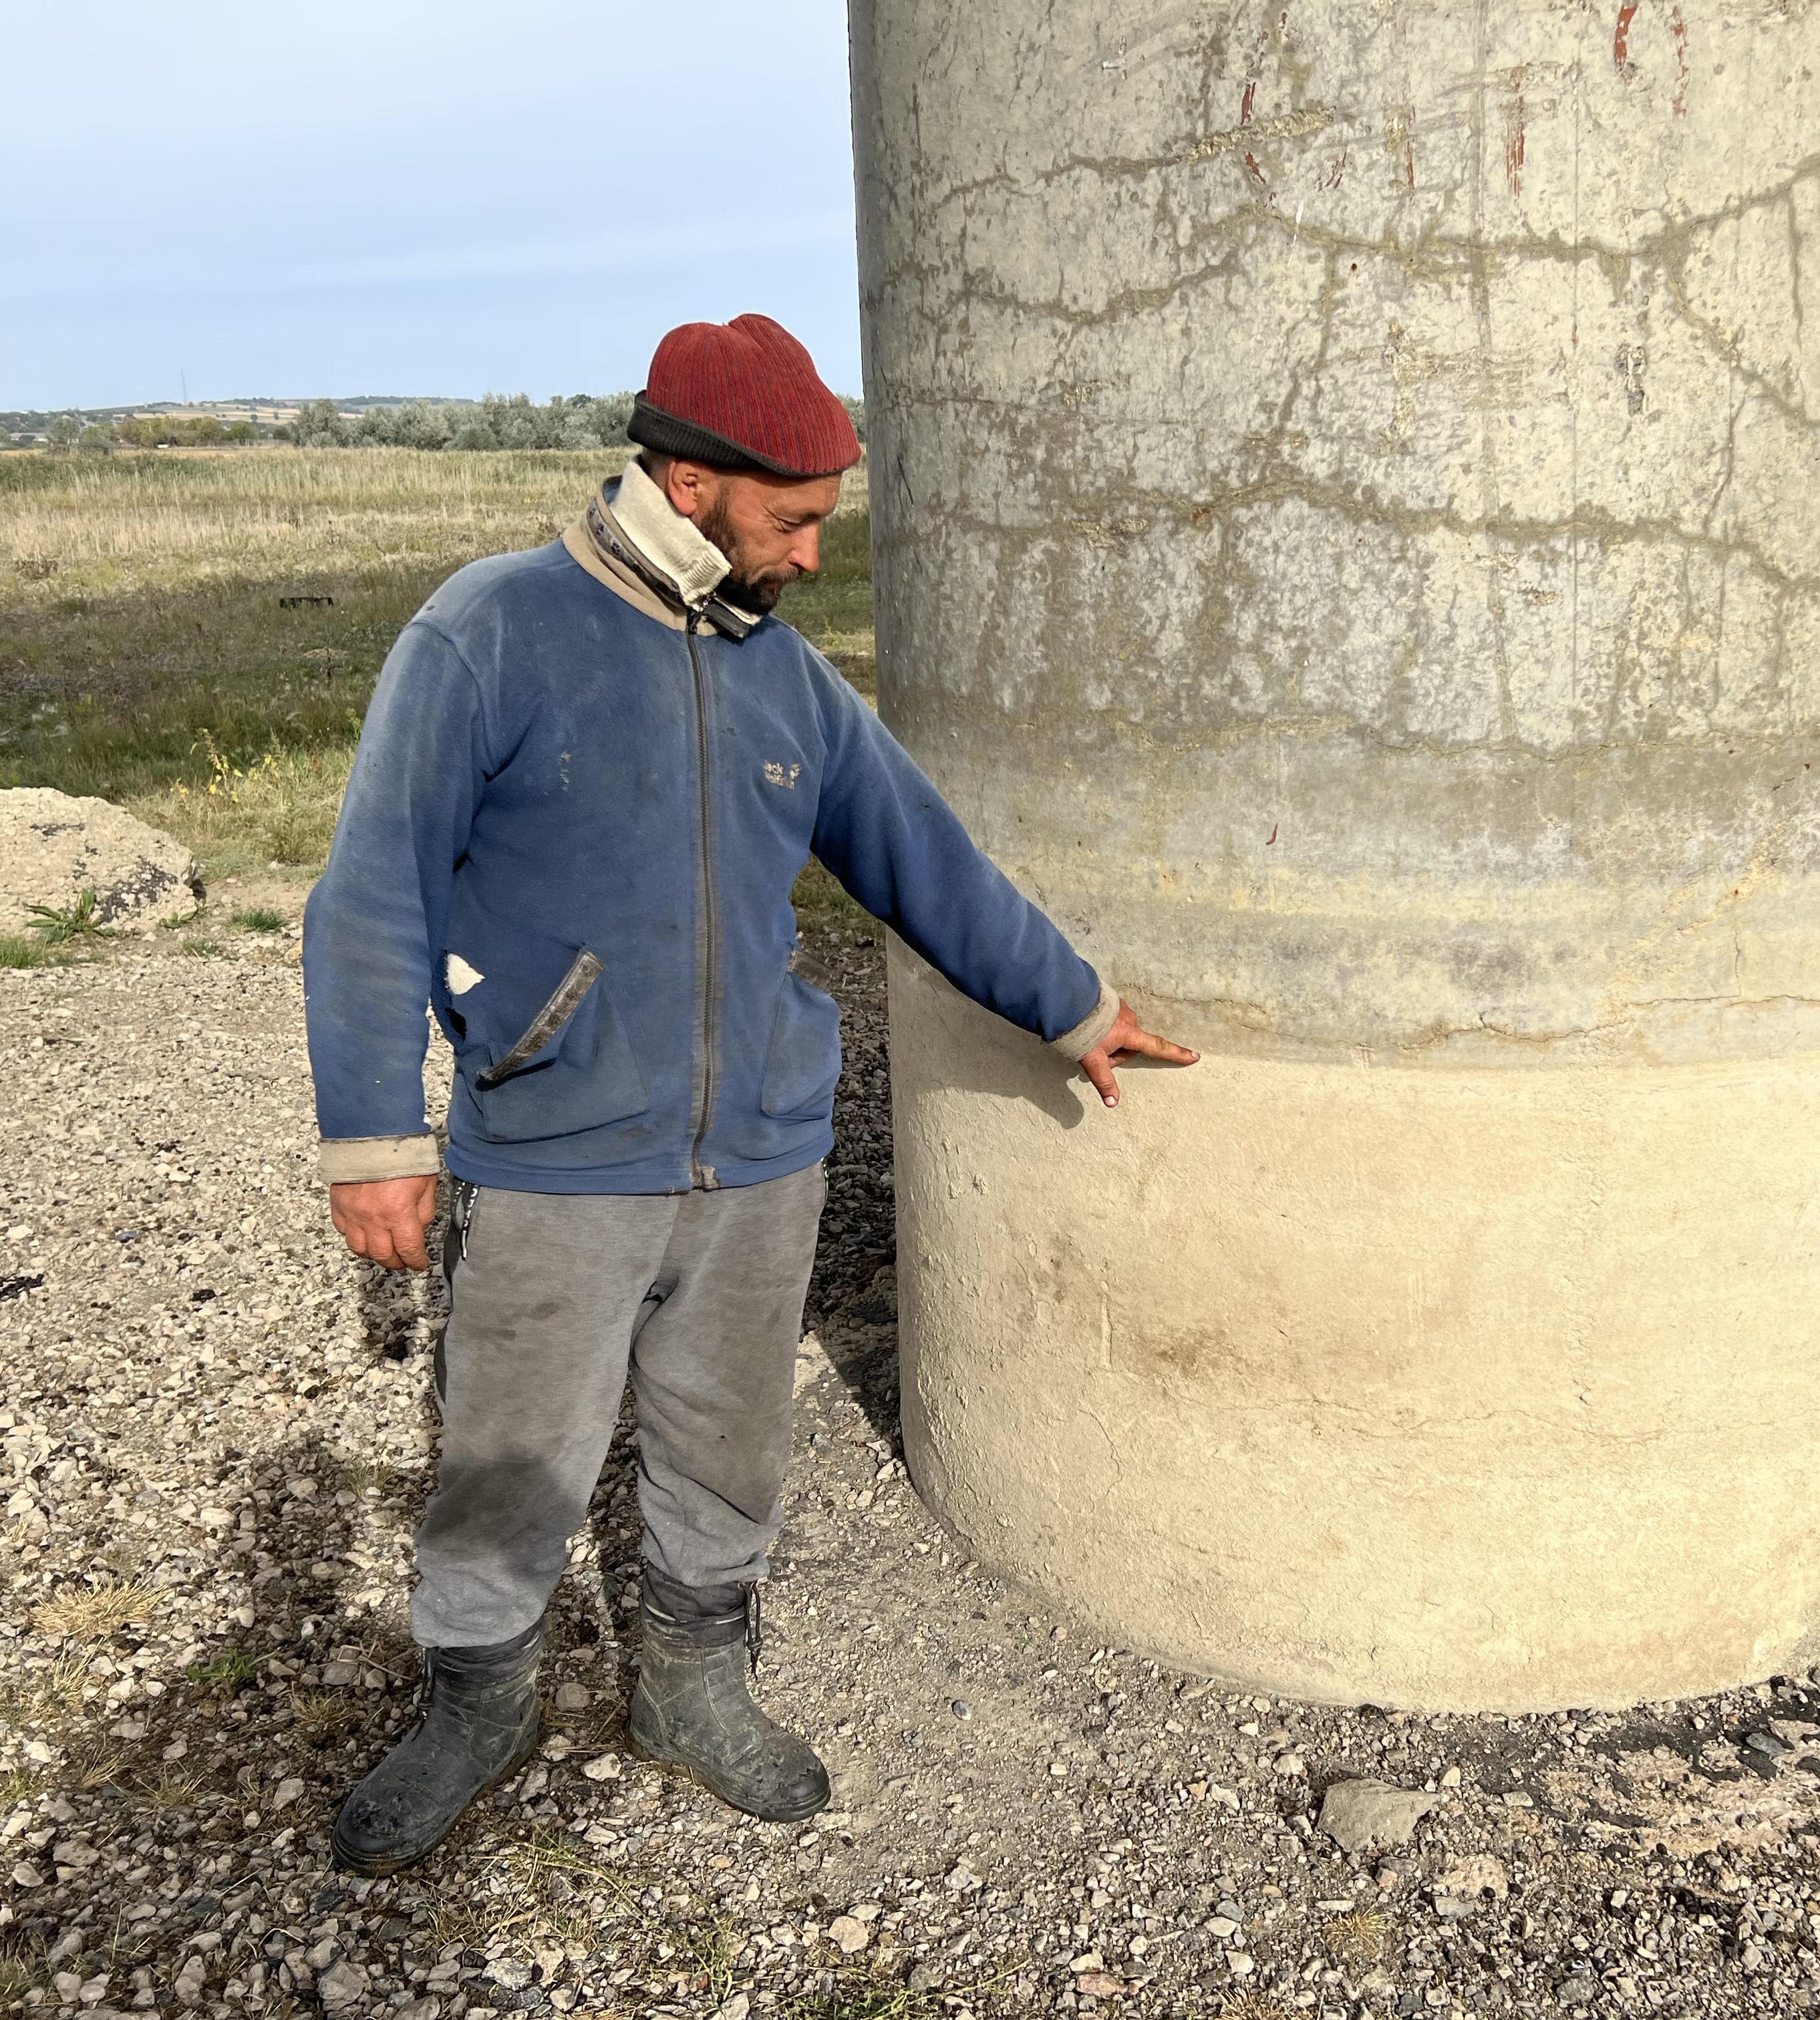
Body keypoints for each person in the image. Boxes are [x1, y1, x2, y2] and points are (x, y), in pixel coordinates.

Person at [301, 313, 1195, 1875]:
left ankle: (693, 1689)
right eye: (796, 521)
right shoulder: (491, 631)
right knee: (514, 1452)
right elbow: (371, 892)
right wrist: (374, 1138)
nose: (814, 556)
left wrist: (1077, 1006)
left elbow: (920, 856)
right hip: (556, 1155)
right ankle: (474, 1704)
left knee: (726, 1448)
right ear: (693, 484)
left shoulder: (783, 679)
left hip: (763, 1157)